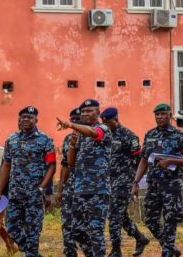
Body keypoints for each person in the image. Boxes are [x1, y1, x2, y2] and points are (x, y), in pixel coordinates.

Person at [132, 103, 183, 257]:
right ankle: (170, 248)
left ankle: (167, 252)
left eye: (162, 114)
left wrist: (171, 161)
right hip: (153, 185)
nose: (159, 117)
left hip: (171, 186)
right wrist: (135, 182)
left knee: (170, 221)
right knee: (150, 220)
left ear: (170, 116)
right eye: (157, 115)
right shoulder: (150, 135)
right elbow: (144, 160)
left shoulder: (179, 136)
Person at [0, 106, 56, 257]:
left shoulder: (46, 140)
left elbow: (52, 166)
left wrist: (45, 190)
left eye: (29, 117)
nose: (25, 120)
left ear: (36, 120)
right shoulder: (12, 140)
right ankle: (32, 253)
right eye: (22, 117)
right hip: (15, 194)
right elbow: (6, 166)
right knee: (12, 227)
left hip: (35, 194)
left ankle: (31, 253)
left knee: (33, 231)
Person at [58, 99, 111, 257]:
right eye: (84, 112)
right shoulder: (80, 135)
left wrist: (71, 125)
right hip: (80, 189)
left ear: (98, 113)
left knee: (96, 231)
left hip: (98, 189)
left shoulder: (103, 129)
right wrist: (73, 144)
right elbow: (71, 162)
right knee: (77, 230)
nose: (86, 114)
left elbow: (95, 134)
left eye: (90, 111)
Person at [101, 107, 150, 257]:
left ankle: (116, 250)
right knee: (119, 215)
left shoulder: (129, 136)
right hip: (109, 179)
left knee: (115, 215)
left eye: (107, 122)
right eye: (103, 123)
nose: (105, 125)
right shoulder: (105, 136)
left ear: (115, 120)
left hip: (124, 180)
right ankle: (140, 238)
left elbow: (139, 161)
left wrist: (134, 183)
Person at [56, 108, 81, 257]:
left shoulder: (93, 137)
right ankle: (70, 252)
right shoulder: (67, 140)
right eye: (73, 120)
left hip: (89, 187)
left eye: (78, 119)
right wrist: (60, 189)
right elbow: (65, 165)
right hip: (71, 187)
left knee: (85, 226)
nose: (75, 122)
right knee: (67, 222)